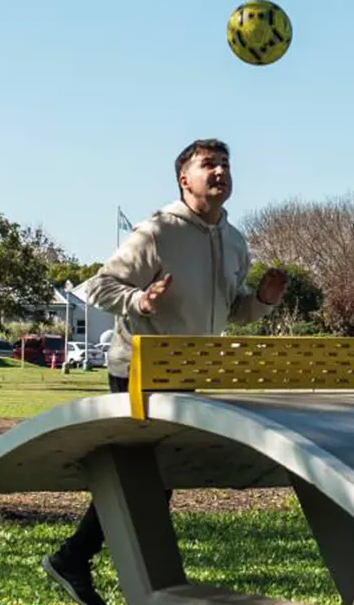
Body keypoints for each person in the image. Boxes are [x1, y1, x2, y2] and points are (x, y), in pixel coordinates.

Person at [41, 138, 287, 605]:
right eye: (208, 164)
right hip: (137, 365)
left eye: (225, 164)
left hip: (193, 370)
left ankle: (79, 560)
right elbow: (100, 285)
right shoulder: (156, 230)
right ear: (184, 178)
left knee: (155, 480)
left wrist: (263, 301)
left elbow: (235, 311)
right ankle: (92, 564)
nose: (220, 172)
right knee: (145, 479)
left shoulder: (236, 242)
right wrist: (140, 299)